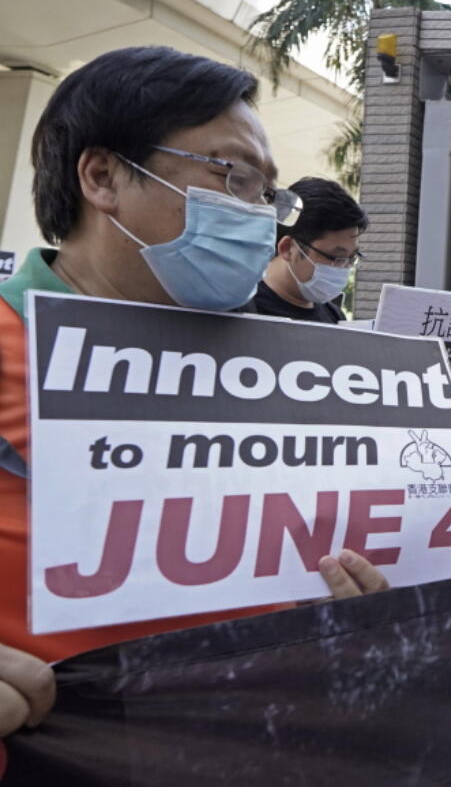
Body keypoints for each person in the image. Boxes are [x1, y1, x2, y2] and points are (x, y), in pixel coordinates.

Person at [0, 46, 386, 733]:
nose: (263, 217)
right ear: (102, 175)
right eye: (234, 177)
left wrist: (358, 609)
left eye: (271, 195)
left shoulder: (288, 380)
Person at [251, 176, 367, 323]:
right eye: (336, 257)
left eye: (352, 258)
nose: (344, 269)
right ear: (288, 249)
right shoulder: (242, 309)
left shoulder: (334, 317)